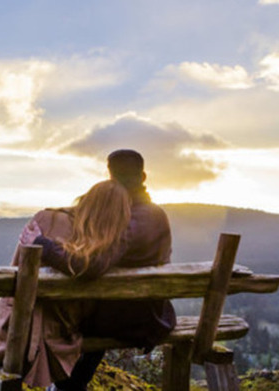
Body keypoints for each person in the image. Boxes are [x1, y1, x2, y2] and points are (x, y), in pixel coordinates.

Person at [0, 179, 135, 387]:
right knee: (88, 355)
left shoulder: (45, 219)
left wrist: (42, 244)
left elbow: (16, 268)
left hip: (14, 325)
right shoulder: (108, 242)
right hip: (65, 330)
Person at [46, 149, 176, 391]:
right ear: (143, 177)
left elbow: (91, 265)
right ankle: (70, 386)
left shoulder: (123, 220)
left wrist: (46, 247)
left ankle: (64, 386)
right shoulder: (156, 215)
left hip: (126, 321)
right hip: (151, 314)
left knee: (55, 319)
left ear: (110, 178)